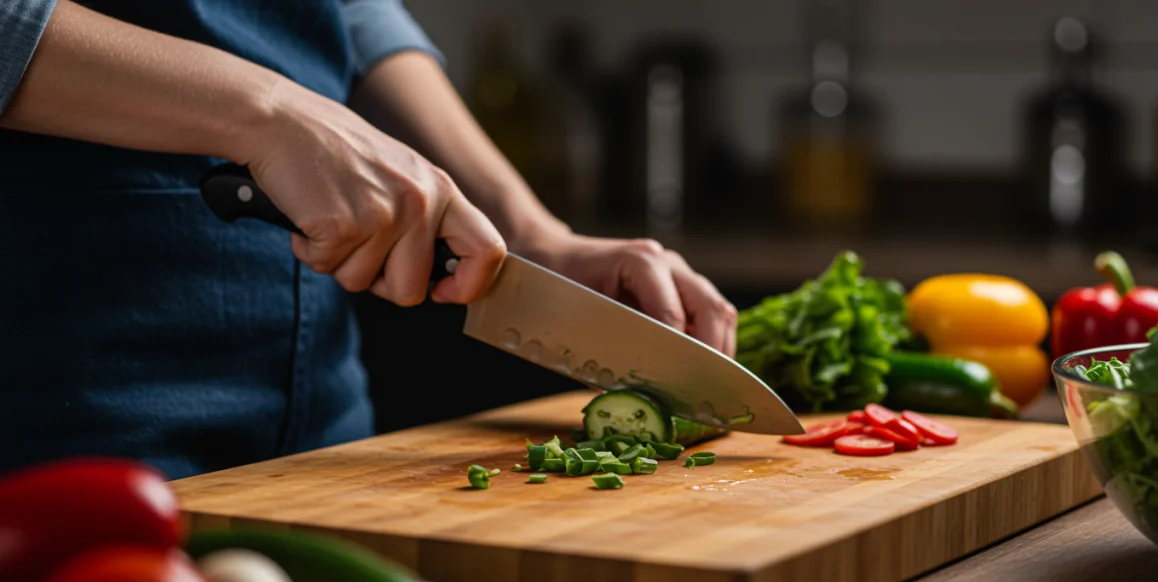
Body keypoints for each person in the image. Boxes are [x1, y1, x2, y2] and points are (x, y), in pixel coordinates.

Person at [0, 0, 738, 480]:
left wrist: (529, 231)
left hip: (323, 423)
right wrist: (270, 110)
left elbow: (343, 10)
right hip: (64, 401)